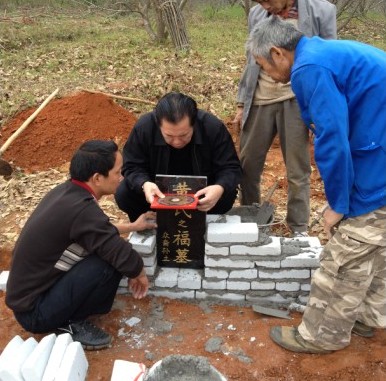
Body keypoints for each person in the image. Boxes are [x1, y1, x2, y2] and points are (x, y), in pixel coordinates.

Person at [246, 16, 386, 353]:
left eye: (262, 65)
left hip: (376, 161)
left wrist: (338, 204)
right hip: (377, 141)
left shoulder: (309, 68)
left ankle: (322, 335)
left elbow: (332, 138)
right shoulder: (320, 53)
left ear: (278, 53)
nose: (265, 73)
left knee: (344, 254)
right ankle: (367, 316)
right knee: (376, 246)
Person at [6, 140, 157, 350]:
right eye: (117, 172)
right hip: (36, 313)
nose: (121, 177)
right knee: (108, 263)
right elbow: (117, 250)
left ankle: (66, 311)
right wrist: (138, 273)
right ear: (97, 178)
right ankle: (69, 323)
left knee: (104, 252)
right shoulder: (82, 209)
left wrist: (133, 226)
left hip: (32, 297)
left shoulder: (68, 193)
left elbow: (98, 230)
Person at [234, 0, 336, 236]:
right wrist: (241, 103)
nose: (264, 5)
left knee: (297, 169)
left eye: (267, 0)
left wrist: (318, 110)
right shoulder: (257, 13)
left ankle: (298, 227)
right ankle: (251, 222)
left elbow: (327, 60)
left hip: (297, 98)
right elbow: (251, 60)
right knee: (247, 165)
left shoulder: (321, 11)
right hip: (260, 98)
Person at [115, 92, 242, 221]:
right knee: (124, 192)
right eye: (169, 136)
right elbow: (131, 165)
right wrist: (144, 184)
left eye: (183, 135)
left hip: (202, 197)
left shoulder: (212, 128)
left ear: (194, 123)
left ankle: (207, 222)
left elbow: (231, 167)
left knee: (227, 192)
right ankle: (146, 224)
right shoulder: (144, 128)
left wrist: (220, 187)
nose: (176, 142)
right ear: (159, 125)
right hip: (158, 195)